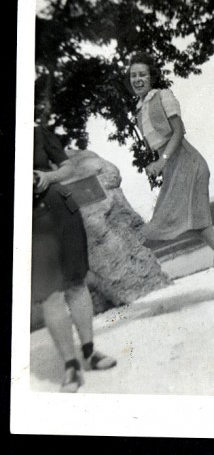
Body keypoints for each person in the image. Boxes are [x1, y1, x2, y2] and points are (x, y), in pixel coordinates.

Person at [127, 52, 214, 304]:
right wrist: (160, 166)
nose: (138, 79)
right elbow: (156, 145)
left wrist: (161, 161)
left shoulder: (163, 96)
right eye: (133, 75)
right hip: (173, 169)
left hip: (189, 164)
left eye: (142, 74)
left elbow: (178, 132)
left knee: (194, 226)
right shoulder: (138, 111)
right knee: (185, 225)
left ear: (152, 76)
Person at [32, 124, 117, 393]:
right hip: (31, 223)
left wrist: (49, 177)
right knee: (49, 293)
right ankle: (71, 366)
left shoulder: (38, 132)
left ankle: (90, 353)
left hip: (62, 211)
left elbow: (67, 168)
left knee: (76, 283)